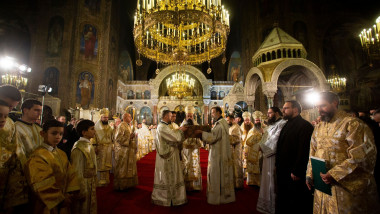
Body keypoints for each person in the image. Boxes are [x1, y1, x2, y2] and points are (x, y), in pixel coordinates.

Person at [306, 92, 379, 213]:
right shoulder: (319, 127)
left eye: (323, 105)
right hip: (323, 186)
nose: (319, 110)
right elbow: (313, 152)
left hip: (344, 187)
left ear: (335, 103)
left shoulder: (353, 124)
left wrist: (334, 174)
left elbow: (363, 155)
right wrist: (310, 174)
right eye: (317, 106)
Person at [24, 119, 80, 213]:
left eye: (61, 134)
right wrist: (60, 199)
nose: (58, 137)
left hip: (64, 198)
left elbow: (71, 173)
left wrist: (69, 192)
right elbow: (41, 183)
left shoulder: (61, 153)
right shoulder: (38, 156)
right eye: (54, 133)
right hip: (46, 203)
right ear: (43, 133)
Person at [275, 100, 314, 213]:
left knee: (295, 200)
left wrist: (297, 170)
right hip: (284, 169)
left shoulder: (305, 126)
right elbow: (281, 146)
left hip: (294, 171)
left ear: (295, 110)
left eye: (286, 108)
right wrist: (277, 164)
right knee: (284, 197)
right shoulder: (287, 124)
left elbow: (304, 150)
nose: (283, 110)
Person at [195, 106, 235, 205]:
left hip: (218, 154)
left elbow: (213, 137)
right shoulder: (222, 123)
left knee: (216, 172)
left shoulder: (220, 125)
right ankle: (223, 196)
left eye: (213, 112)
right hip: (220, 151)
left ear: (218, 113)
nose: (211, 114)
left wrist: (201, 133)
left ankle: (218, 197)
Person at [151, 110, 188, 206]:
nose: (172, 118)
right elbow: (175, 138)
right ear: (166, 116)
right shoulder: (162, 127)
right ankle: (167, 197)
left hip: (171, 155)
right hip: (167, 157)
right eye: (171, 116)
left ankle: (172, 196)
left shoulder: (164, 126)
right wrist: (181, 131)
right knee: (168, 176)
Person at [257, 107, 286, 214]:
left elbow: (275, 139)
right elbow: (265, 137)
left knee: (272, 181)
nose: (268, 115)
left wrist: (263, 147)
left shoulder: (282, 123)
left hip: (273, 155)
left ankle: (273, 206)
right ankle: (266, 205)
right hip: (267, 155)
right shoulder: (272, 124)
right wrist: (261, 144)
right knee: (266, 179)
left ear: (276, 113)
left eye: (270, 113)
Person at [70, 119, 97, 214]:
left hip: (89, 182)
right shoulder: (78, 147)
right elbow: (77, 170)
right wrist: (80, 189)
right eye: (92, 129)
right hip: (83, 184)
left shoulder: (88, 144)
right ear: (84, 132)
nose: (95, 131)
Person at [180, 106, 203, 191]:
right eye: (188, 116)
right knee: (186, 165)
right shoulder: (182, 125)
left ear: (193, 116)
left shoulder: (196, 125)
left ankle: (195, 185)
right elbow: (180, 137)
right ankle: (186, 185)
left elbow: (200, 137)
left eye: (191, 116)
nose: (189, 118)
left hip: (194, 150)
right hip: (185, 149)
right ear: (186, 116)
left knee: (194, 165)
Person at [15, 99, 44, 165]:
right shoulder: (16, 128)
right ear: (25, 110)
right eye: (36, 110)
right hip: (24, 166)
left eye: (40, 111)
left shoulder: (39, 128)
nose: (39, 113)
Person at [114, 113, 138, 190]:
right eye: (129, 116)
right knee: (123, 168)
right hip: (123, 151)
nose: (131, 118)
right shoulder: (121, 125)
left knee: (128, 167)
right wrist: (129, 137)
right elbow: (118, 138)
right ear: (124, 117)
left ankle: (128, 184)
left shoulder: (127, 125)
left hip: (128, 150)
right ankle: (122, 185)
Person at [93, 108, 113, 187]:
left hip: (108, 148)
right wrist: (94, 146)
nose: (106, 119)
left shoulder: (109, 127)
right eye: (104, 118)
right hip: (100, 148)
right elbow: (93, 137)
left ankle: (106, 179)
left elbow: (112, 136)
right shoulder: (96, 127)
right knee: (100, 164)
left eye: (107, 118)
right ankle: (99, 180)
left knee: (106, 164)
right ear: (101, 117)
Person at [244, 111, 264, 186]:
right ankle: (252, 182)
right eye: (256, 120)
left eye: (258, 120)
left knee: (260, 167)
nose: (257, 122)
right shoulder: (251, 130)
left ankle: (260, 183)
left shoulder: (265, 128)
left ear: (261, 120)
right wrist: (245, 151)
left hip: (261, 151)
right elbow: (247, 142)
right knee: (252, 166)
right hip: (252, 151)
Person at [226, 114, 244, 189]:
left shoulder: (236, 127)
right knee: (232, 166)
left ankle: (238, 184)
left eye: (228, 120)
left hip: (236, 150)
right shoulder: (231, 127)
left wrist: (225, 137)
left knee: (237, 166)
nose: (227, 122)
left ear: (233, 120)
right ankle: (233, 183)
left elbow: (236, 139)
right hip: (232, 149)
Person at [241, 111, 253, 177]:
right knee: (244, 162)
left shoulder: (253, 127)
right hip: (244, 148)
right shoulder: (241, 128)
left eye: (248, 120)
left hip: (251, 148)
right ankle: (245, 175)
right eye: (246, 120)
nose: (247, 122)